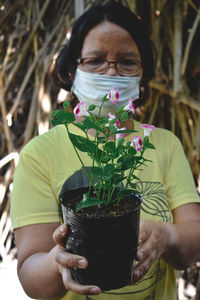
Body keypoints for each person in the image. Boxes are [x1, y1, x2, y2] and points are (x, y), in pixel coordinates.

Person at [10, 1, 200, 300]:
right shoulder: (40, 154)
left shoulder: (165, 144)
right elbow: (32, 277)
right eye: (96, 60)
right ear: (73, 70)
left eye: (126, 61)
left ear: (141, 73)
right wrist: (54, 262)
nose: (111, 72)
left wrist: (165, 236)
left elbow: (192, 242)